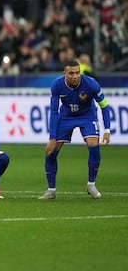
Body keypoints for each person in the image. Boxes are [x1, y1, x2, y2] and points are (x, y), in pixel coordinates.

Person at [39, 59, 111, 200]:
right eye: (71, 73)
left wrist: (107, 130)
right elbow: (54, 112)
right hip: (66, 116)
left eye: (77, 73)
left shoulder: (91, 84)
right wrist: (52, 138)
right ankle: (51, 190)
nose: (75, 76)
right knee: (51, 151)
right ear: (64, 73)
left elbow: (104, 106)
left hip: (87, 115)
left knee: (93, 145)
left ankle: (91, 184)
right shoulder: (57, 85)